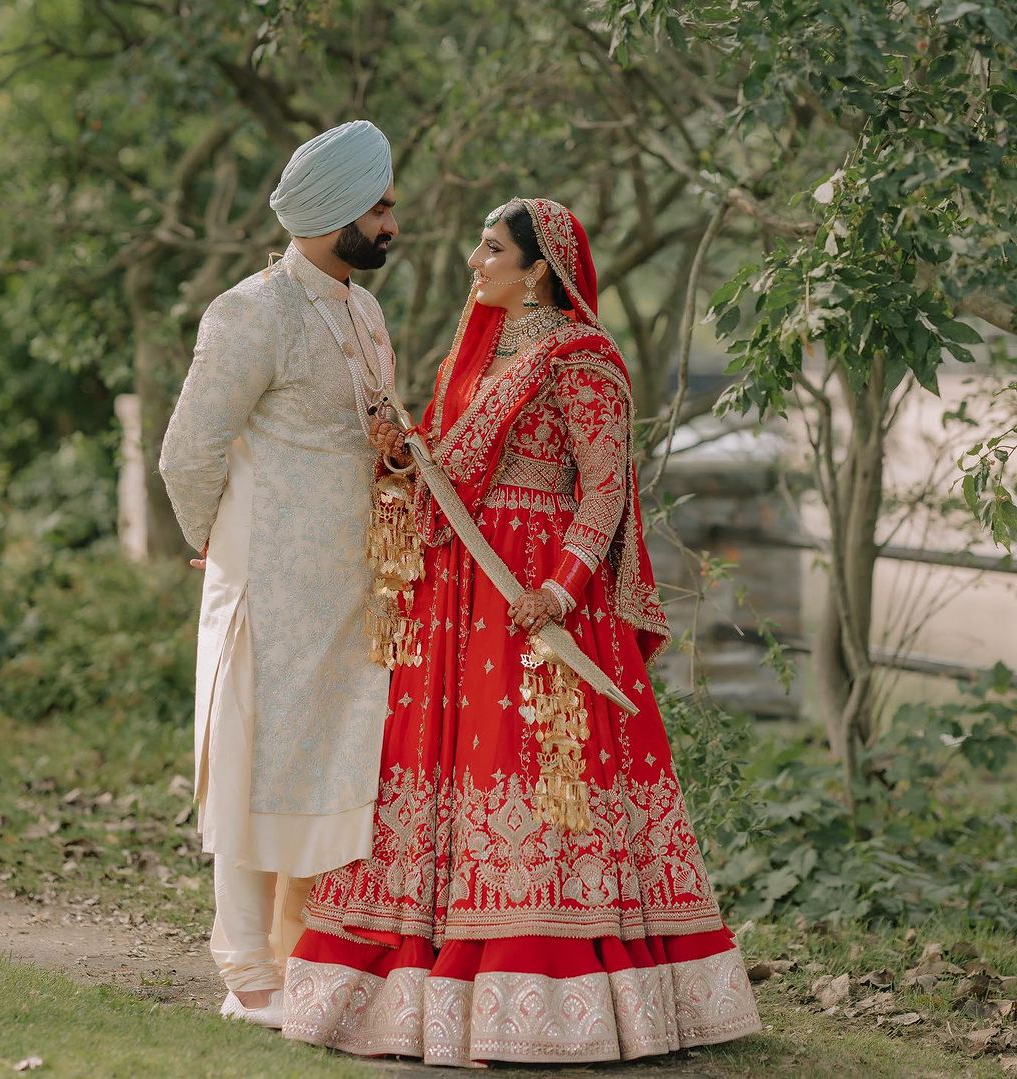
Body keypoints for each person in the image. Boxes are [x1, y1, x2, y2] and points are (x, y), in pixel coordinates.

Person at [280, 197, 761, 1064]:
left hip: (536, 602)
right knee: (437, 774)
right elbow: (450, 475)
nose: (475, 259)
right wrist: (402, 451)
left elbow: (605, 490)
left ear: (539, 267)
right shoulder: (480, 354)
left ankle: (546, 988)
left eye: (491, 247)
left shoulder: (584, 358)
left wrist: (563, 589)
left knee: (535, 775)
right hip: (459, 599)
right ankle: (410, 996)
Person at [159, 120, 399, 1029]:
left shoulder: (363, 311)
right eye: (377, 207)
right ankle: (246, 972)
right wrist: (214, 541)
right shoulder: (248, 310)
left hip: (351, 590)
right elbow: (188, 452)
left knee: (330, 761)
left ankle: (307, 953)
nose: (390, 223)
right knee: (254, 763)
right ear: (333, 212)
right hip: (268, 582)